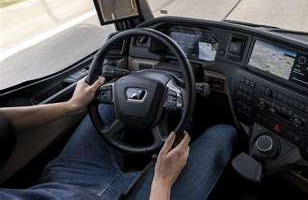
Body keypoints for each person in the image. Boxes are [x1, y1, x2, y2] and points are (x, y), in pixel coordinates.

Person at [0, 77, 237, 199]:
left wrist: (70, 106)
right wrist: (162, 181)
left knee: (108, 101)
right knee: (224, 133)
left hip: (62, 185)